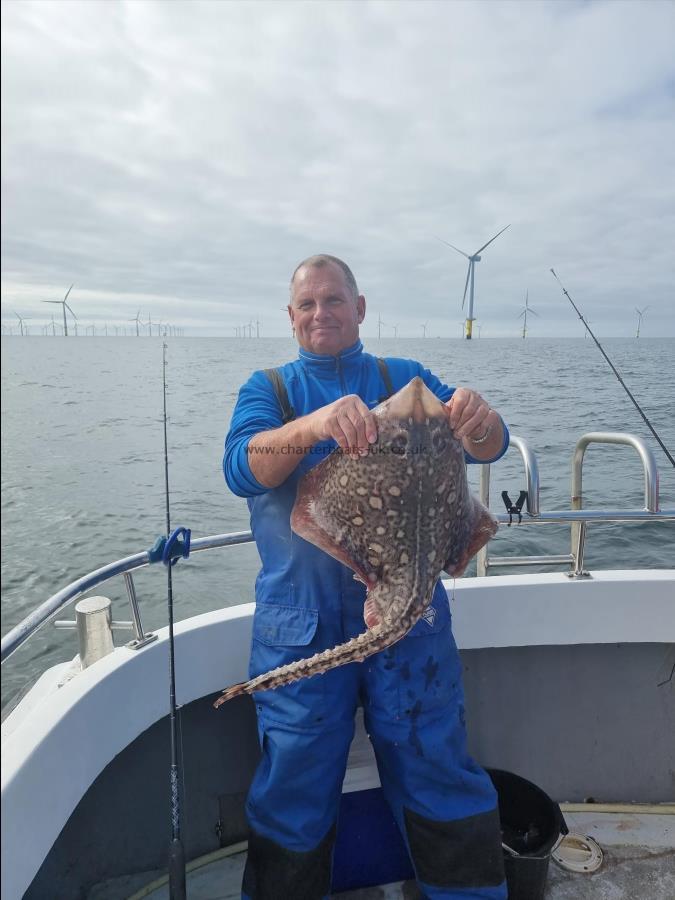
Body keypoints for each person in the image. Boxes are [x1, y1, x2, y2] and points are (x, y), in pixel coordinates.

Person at [224, 254, 509, 900]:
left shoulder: (404, 378)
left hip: (413, 612)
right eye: (307, 305)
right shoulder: (267, 389)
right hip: (302, 627)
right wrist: (318, 425)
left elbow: (485, 443)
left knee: (436, 769)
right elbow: (242, 467)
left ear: (359, 307)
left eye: (333, 300)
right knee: (292, 787)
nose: (320, 313)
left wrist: (482, 424)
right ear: (291, 318)